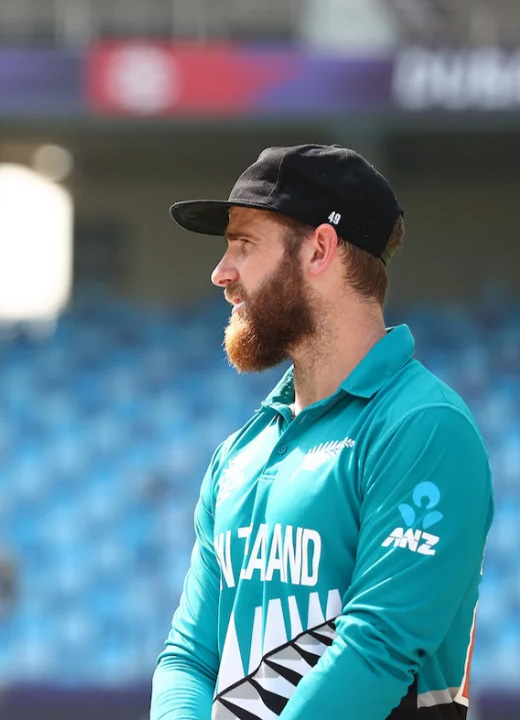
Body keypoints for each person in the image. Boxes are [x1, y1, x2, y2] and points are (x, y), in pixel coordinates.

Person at [151, 144, 493, 720]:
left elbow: (377, 650)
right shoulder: (240, 452)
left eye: (244, 244)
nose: (221, 273)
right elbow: (189, 656)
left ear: (319, 249)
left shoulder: (424, 428)